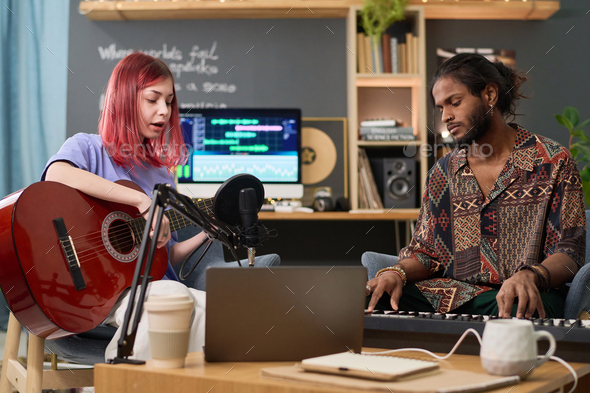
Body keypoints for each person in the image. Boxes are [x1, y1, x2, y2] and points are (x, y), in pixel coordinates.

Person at [41, 52, 278, 362]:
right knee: (174, 300)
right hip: (93, 287)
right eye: (153, 99)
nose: (164, 111)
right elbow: (56, 174)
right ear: (125, 99)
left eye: (169, 101)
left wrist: (207, 233)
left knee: (226, 315)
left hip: (149, 286)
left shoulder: (161, 173)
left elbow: (168, 257)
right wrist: (139, 199)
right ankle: (125, 378)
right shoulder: (87, 147)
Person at [365, 53, 586, 319]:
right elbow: (426, 253)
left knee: (516, 308)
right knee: (374, 301)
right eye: (440, 108)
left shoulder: (553, 161)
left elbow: (570, 253)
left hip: (524, 294)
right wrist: (395, 273)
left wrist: (531, 275)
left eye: (454, 103)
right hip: (453, 294)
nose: (446, 116)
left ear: (490, 95)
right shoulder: (443, 172)